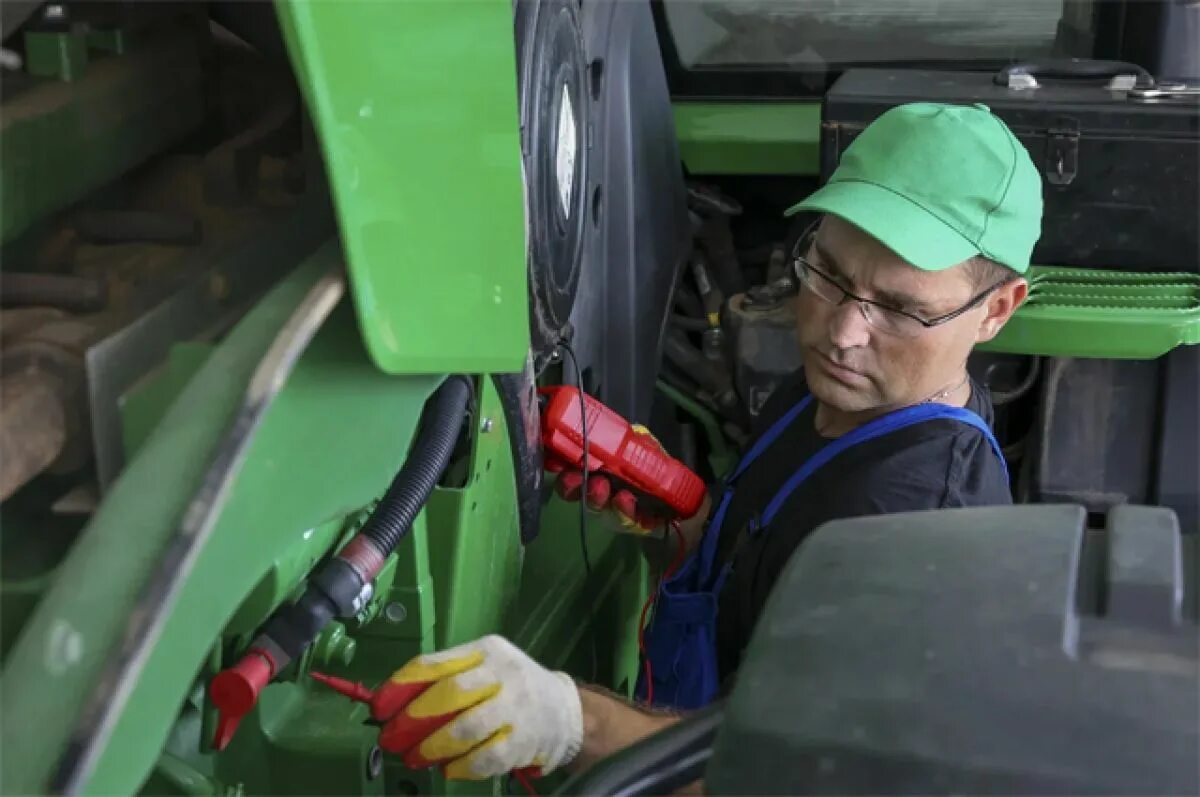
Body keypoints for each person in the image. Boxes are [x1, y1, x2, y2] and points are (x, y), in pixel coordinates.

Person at [365, 102, 1044, 784]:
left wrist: (573, 721)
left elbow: (789, 779)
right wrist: (684, 527)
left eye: (900, 307)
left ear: (997, 309)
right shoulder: (843, 391)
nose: (842, 332)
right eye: (829, 273)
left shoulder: (915, 535)